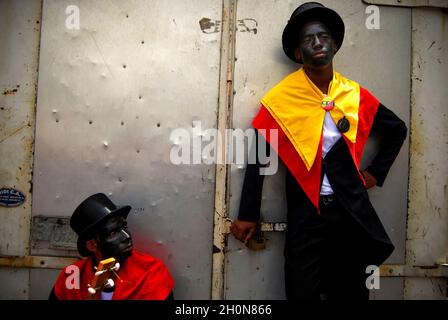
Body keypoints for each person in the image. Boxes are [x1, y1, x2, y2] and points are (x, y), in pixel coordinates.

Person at [230, 2, 407, 300]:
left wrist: (376, 172)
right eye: (308, 39)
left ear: (335, 44)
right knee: (301, 292)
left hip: (349, 213)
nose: (317, 43)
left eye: (323, 36)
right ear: (298, 53)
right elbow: (259, 159)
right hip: (306, 216)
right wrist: (248, 213)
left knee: (351, 291)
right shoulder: (282, 99)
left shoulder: (354, 95)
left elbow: (397, 129)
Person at [49, 193, 175, 300]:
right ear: (92, 245)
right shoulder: (72, 276)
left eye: (124, 227)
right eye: (113, 233)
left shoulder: (151, 272)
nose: (126, 236)